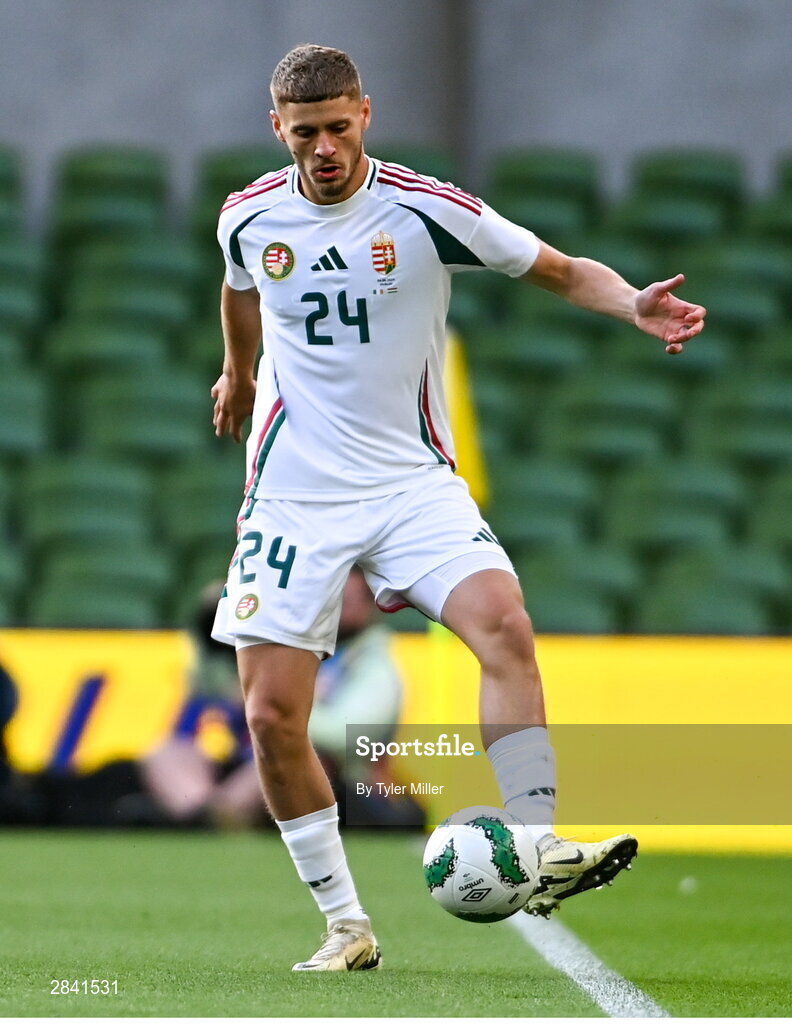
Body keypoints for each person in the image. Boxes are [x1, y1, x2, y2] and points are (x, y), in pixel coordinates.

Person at [210, 44, 706, 972]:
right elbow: (242, 292)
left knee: (502, 624)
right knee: (273, 717)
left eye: (339, 126)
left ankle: (537, 837)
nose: (324, 147)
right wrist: (237, 375)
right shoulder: (246, 215)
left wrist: (631, 302)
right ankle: (347, 925)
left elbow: (556, 270)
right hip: (291, 494)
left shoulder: (427, 209)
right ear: (279, 128)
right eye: (305, 132)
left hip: (409, 483)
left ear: (366, 113)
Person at [138, 569, 411, 829]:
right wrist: (211, 625)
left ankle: (224, 816)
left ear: (369, 605)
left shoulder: (373, 664)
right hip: (241, 763)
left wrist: (278, 702)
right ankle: (206, 816)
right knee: (168, 752)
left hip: (337, 786)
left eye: (344, 599)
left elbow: (345, 737)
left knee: (292, 754)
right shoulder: (281, 642)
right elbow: (205, 686)